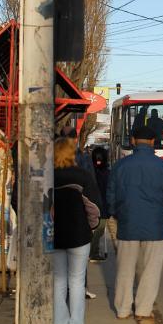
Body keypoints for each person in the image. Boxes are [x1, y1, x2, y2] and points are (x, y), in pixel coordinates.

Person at [108, 126, 163, 320]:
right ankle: (143, 310)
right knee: (150, 271)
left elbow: (111, 197)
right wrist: (162, 217)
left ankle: (122, 309)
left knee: (124, 269)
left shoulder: (120, 166)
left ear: (132, 141)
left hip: (127, 225)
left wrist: (118, 215)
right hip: (155, 227)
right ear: (154, 142)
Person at [53, 138, 102, 324]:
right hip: (79, 236)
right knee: (76, 282)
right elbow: (94, 207)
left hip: (54, 236)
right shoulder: (83, 176)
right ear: (72, 154)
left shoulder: (48, 176)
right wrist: (91, 227)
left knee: (58, 282)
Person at [60, 126, 98, 299]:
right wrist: (92, 223)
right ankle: (81, 290)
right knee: (79, 267)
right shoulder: (83, 158)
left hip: (58, 218)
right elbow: (92, 190)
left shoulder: (53, 157)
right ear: (76, 139)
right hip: (79, 218)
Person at [90, 147, 110, 262]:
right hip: (100, 207)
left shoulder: (90, 171)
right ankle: (93, 252)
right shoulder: (106, 173)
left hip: (97, 205)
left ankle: (93, 251)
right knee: (99, 229)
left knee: (99, 229)